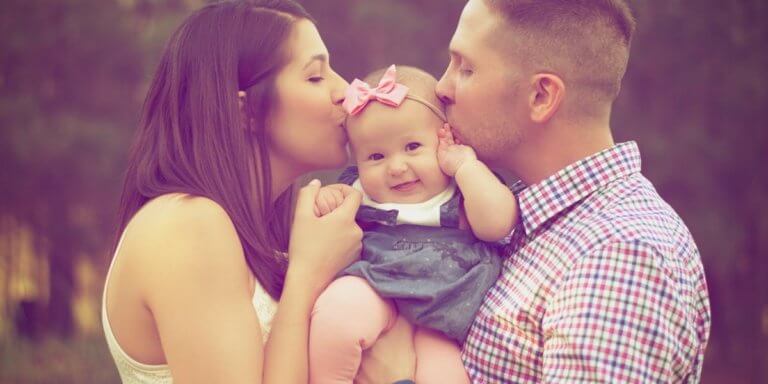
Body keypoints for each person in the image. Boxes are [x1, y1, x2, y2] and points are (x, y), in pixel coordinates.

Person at [101, 1, 413, 383]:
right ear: (243, 112)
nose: (345, 90)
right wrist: (306, 275)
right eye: (315, 77)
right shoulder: (186, 224)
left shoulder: (266, 229)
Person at [436, 0, 711, 382]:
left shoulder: (619, 254)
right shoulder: (522, 220)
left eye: (466, 68)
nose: (442, 87)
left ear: (541, 96)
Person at [307, 65, 517, 384]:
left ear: (446, 138)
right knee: (336, 316)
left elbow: (498, 225)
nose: (396, 167)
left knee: (447, 376)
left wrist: (465, 165)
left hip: (443, 315)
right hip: (376, 286)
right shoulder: (358, 191)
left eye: (412, 147)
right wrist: (329, 199)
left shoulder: (461, 187)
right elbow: (329, 222)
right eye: (376, 156)